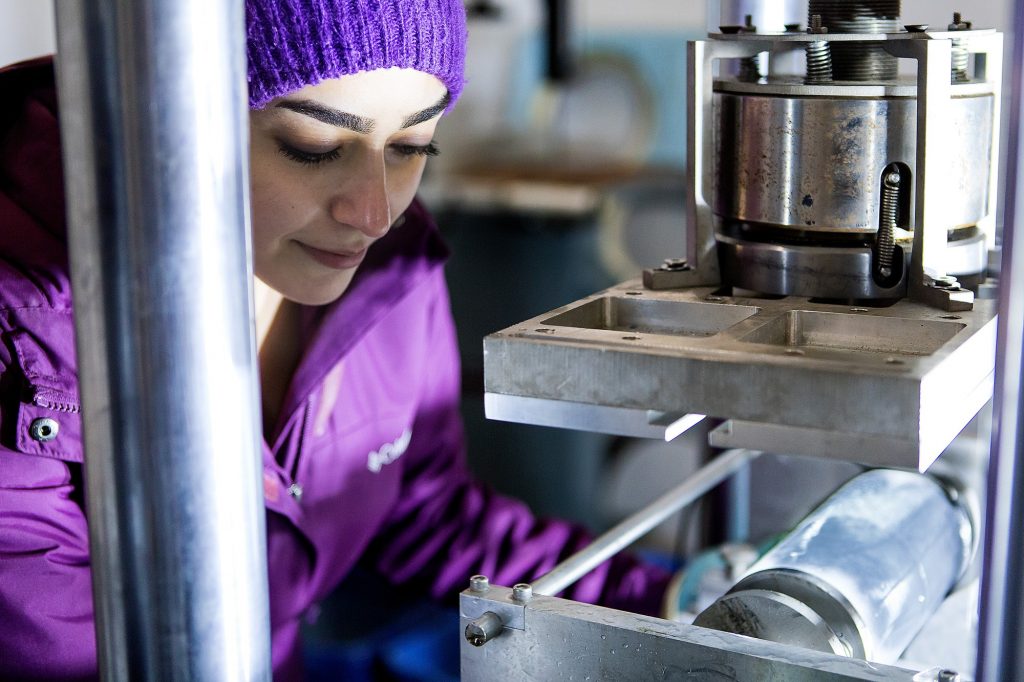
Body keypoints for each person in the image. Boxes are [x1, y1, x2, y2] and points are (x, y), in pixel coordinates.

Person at [0, 1, 671, 678]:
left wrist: (669, 609)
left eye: (411, 147)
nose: (374, 214)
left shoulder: (391, 270)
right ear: (164, 110)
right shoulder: (24, 333)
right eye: (314, 148)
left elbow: (427, 512)